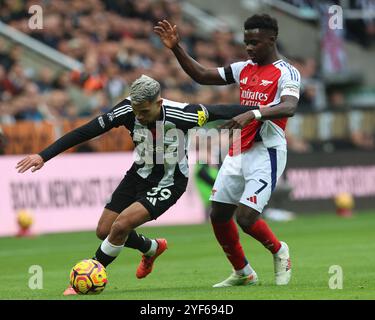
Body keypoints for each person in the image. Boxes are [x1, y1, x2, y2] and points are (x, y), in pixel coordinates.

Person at [16, 74, 261, 293]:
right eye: (136, 111)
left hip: (169, 182)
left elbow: (222, 110)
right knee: (104, 230)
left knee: (121, 225)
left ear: (158, 103)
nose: (139, 117)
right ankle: (151, 247)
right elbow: (85, 131)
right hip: (138, 174)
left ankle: (85, 279)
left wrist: (263, 112)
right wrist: (43, 156)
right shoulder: (126, 110)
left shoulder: (185, 114)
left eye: (144, 111)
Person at [154, 14, 300, 287]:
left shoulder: (286, 72)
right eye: (246, 42)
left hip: (266, 150)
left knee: (246, 218)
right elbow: (202, 75)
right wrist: (175, 47)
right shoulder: (244, 68)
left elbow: (289, 106)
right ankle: (243, 272)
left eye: (255, 42)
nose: (249, 48)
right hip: (238, 148)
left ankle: (280, 250)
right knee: (219, 214)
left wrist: (253, 114)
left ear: (271, 40)